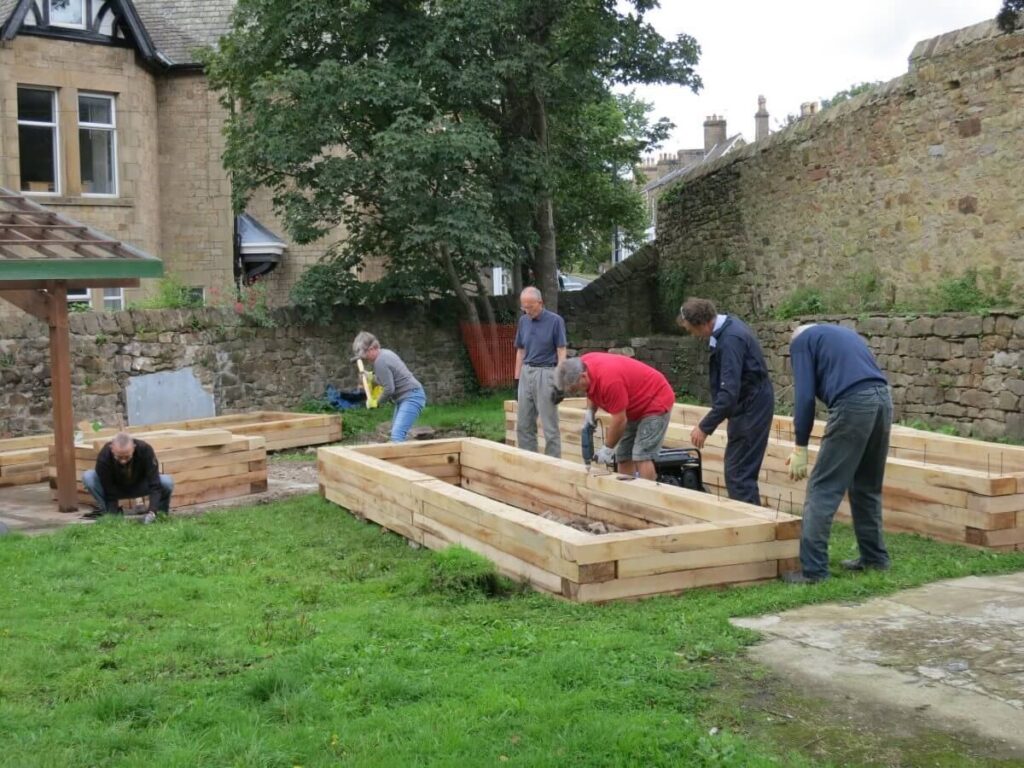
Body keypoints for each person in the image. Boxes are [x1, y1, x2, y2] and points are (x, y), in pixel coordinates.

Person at [783, 323, 893, 584]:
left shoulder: (800, 342)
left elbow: (805, 397)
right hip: (883, 400)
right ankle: (875, 558)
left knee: (823, 488)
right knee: (867, 486)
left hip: (853, 403)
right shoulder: (842, 334)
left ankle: (813, 572)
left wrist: (800, 446)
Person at [677, 297, 774, 505]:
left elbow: (728, 393)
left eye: (690, 330)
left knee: (739, 474)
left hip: (751, 407)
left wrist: (705, 426)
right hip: (748, 404)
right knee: (739, 471)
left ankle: (752, 529)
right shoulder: (724, 330)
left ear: (702, 324)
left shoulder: (731, 339)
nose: (692, 335)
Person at [555, 353, 674, 480]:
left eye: (575, 389)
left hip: (655, 400)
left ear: (583, 376)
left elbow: (619, 420)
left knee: (641, 455)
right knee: (623, 456)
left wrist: (607, 449)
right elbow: (590, 390)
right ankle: (627, 496)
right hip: (633, 406)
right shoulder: (581, 364)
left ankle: (649, 497)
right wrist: (590, 411)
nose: (577, 392)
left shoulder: (610, 381)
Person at [514, 287, 568, 458]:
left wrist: (559, 381)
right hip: (526, 371)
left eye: (530, 307)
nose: (527, 310)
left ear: (540, 303)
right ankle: (529, 461)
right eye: (524, 307)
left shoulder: (555, 321)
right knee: (524, 424)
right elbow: (520, 351)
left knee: (549, 425)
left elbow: (561, 351)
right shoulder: (523, 321)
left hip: (546, 372)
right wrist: (516, 379)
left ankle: (554, 464)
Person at [351, 331, 427, 442]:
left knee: (397, 435)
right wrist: (371, 377)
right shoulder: (385, 353)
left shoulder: (380, 361)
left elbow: (389, 389)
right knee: (398, 434)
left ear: (372, 348)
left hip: (411, 397)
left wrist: (377, 403)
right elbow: (387, 379)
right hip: (407, 397)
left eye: (365, 354)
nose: (364, 358)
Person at [82, 432, 173, 522]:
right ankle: (109, 514)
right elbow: (108, 491)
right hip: (115, 489)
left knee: (166, 482)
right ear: (112, 449)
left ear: (134, 448)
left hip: (139, 486)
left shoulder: (145, 449)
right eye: (119, 457)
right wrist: (113, 518)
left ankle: (159, 516)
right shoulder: (104, 456)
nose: (123, 461)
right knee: (89, 477)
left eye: (127, 457)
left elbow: (155, 484)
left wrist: (152, 511)